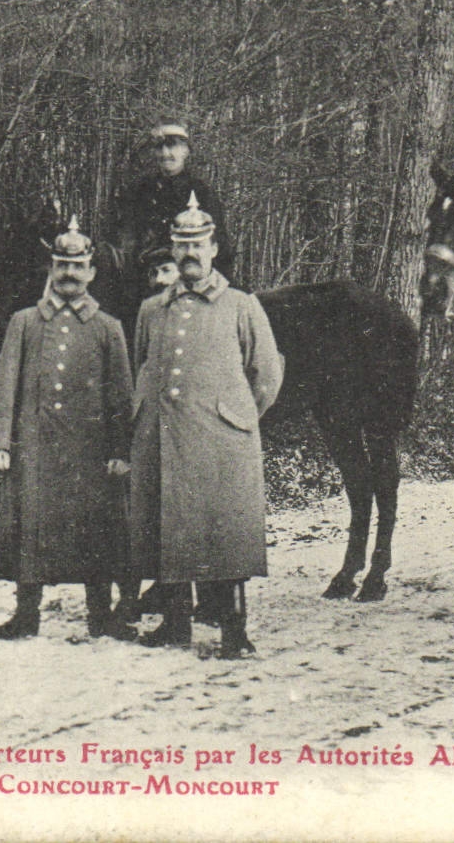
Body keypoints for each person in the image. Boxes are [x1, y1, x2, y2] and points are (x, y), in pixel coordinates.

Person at [128, 194, 283, 658]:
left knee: (224, 533)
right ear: (172, 250)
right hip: (163, 437)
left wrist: (235, 418)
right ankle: (175, 624)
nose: (190, 253)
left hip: (222, 441)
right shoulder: (152, 310)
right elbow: (143, 367)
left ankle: (234, 630)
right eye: (181, 244)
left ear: (215, 248)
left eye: (199, 244)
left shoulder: (241, 305)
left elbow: (268, 374)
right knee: (167, 525)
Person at [0, 216, 135, 641]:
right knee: (30, 525)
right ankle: (26, 614)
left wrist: (121, 450)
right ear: (51, 269)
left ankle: (100, 614)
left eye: (78, 266)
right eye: (61, 265)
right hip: (34, 446)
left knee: (97, 530)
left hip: (91, 451)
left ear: (91, 271)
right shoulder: (25, 322)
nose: (69, 274)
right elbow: (3, 385)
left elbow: (122, 396)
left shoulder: (109, 328)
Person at [114, 123, 234, 283]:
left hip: (189, 274)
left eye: (172, 147)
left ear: (186, 151)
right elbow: (127, 242)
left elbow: (219, 247)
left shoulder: (201, 193)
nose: (165, 154)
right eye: (159, 148)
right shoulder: (139, 191)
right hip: (145, 277)